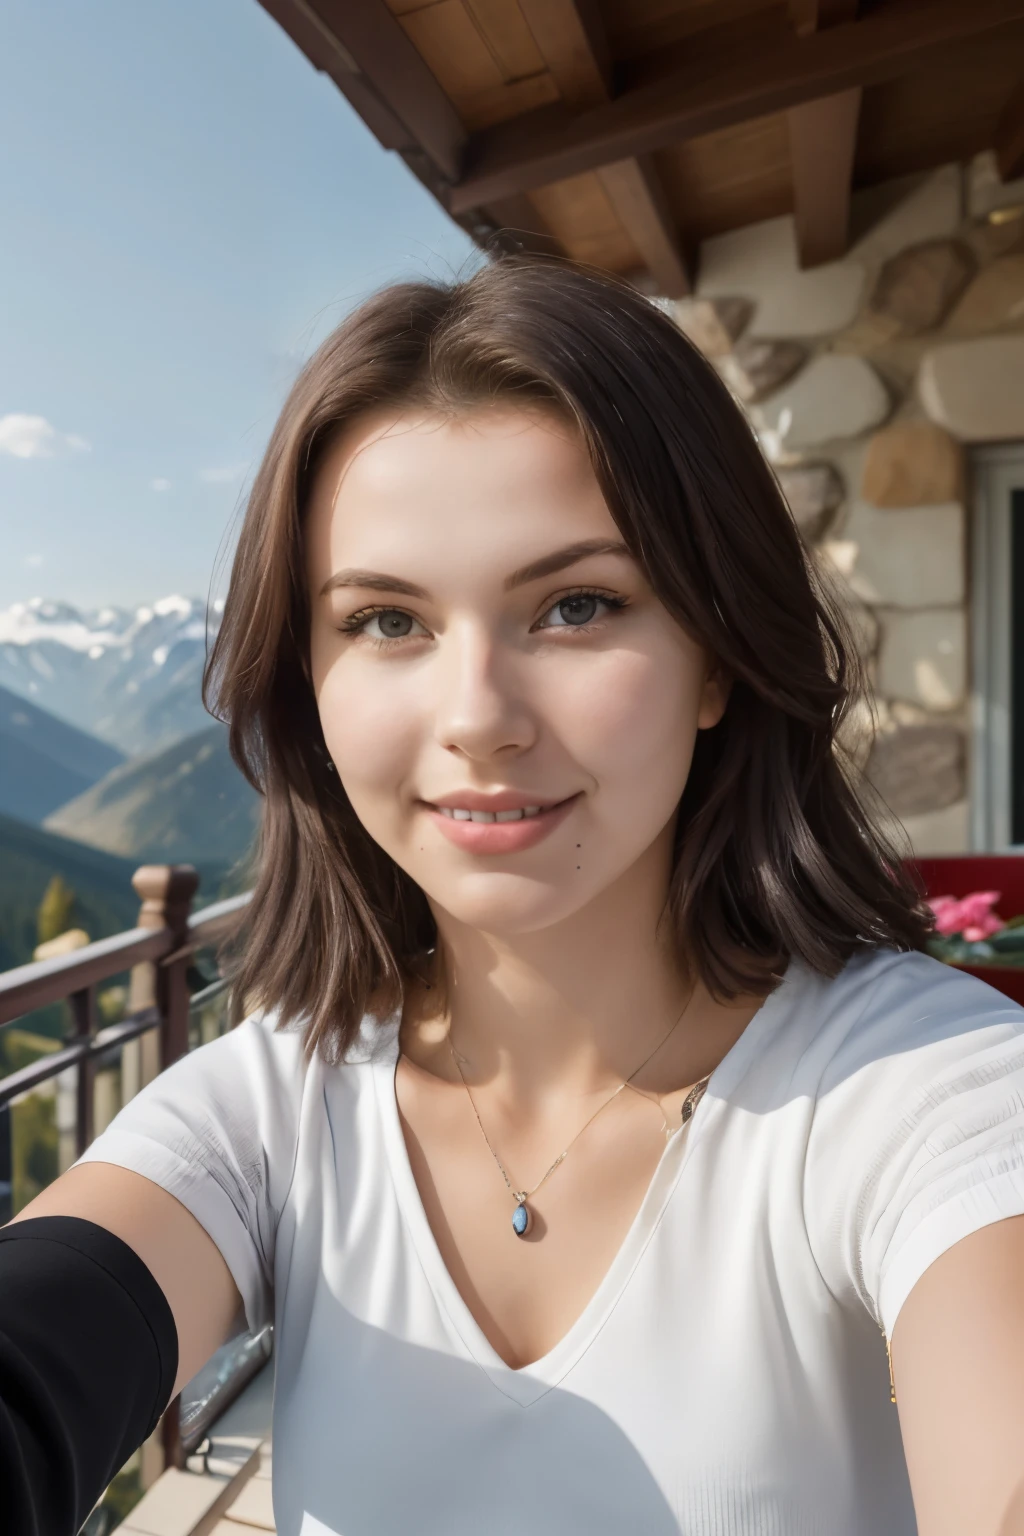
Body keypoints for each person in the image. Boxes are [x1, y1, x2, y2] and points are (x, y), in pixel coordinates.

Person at [3, 257, 1024, 1536]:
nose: (477, 717)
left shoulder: (924, 1090)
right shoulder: (272, 1107)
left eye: (575, 605)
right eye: (385, 622)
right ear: (306, 687)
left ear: (718, 657)